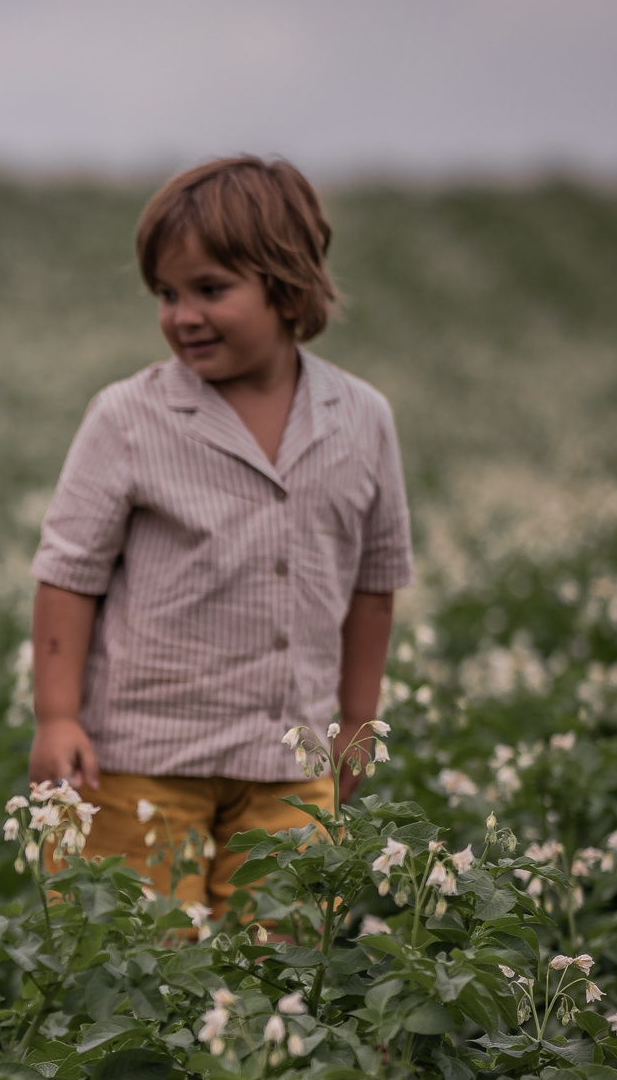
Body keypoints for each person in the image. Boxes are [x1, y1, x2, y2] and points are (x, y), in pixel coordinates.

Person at [27, 156, 412, 911]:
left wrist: (359, 722)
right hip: (138, 761)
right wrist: (57, 716)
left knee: (279, 981)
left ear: (288, 286)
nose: (182, 316)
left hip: (293, 765)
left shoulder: (362, 419)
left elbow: (375, 583)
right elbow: (67, 574)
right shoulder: (128, 417)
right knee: (138, 972)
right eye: (166, 295)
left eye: (210, 290)